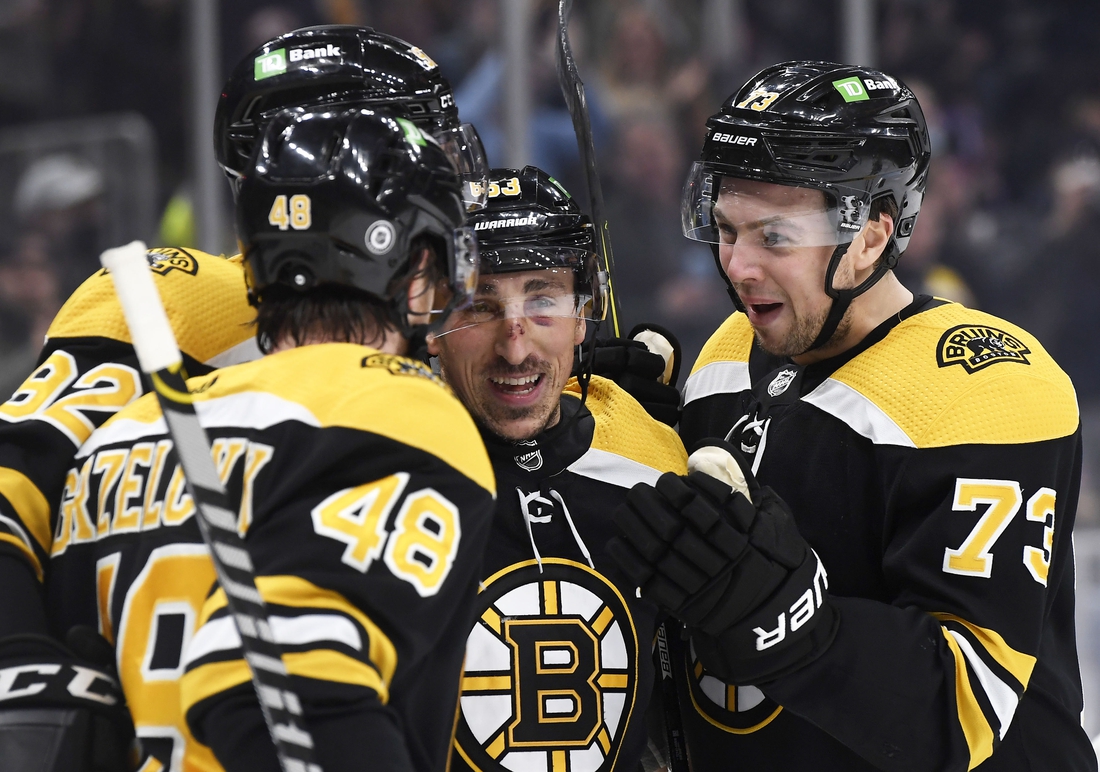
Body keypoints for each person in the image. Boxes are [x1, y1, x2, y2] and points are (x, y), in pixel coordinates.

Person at [0, 25, 489, 771]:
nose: (448, 167)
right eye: (415, 138)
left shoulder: (136, 426)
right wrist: (27, 680)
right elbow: (10, 492)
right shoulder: (180, 298)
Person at [608, 61, 1096, 770]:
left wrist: (790, 621)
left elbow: (958, 711)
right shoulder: (724, 355)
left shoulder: (986, 385)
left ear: (871, 235)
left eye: (773, 237)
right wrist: (616, 437)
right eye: (724, 228)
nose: (738, 266)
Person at [426, 166, 688, 772]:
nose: (514, 346)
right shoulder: (388, 474)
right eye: (477, 305)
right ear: (430, 325)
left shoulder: (656, 460)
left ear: (584, 314)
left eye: (542, 300)